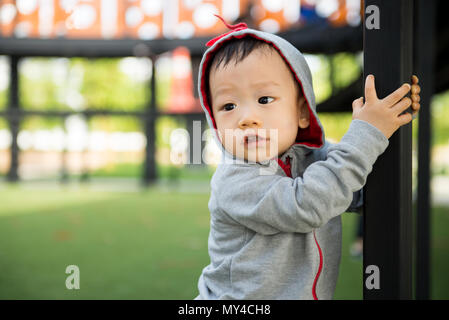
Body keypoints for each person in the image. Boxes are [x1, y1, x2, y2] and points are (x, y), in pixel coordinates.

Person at [195, 15, 421, 300]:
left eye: (264, 100)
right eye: (228, 106)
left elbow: (356, 189)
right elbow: (307, 205)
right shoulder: (236, 179)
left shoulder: (310, 158)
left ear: (303, 112)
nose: (246, 119)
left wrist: (387, 119)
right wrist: (367, 134)